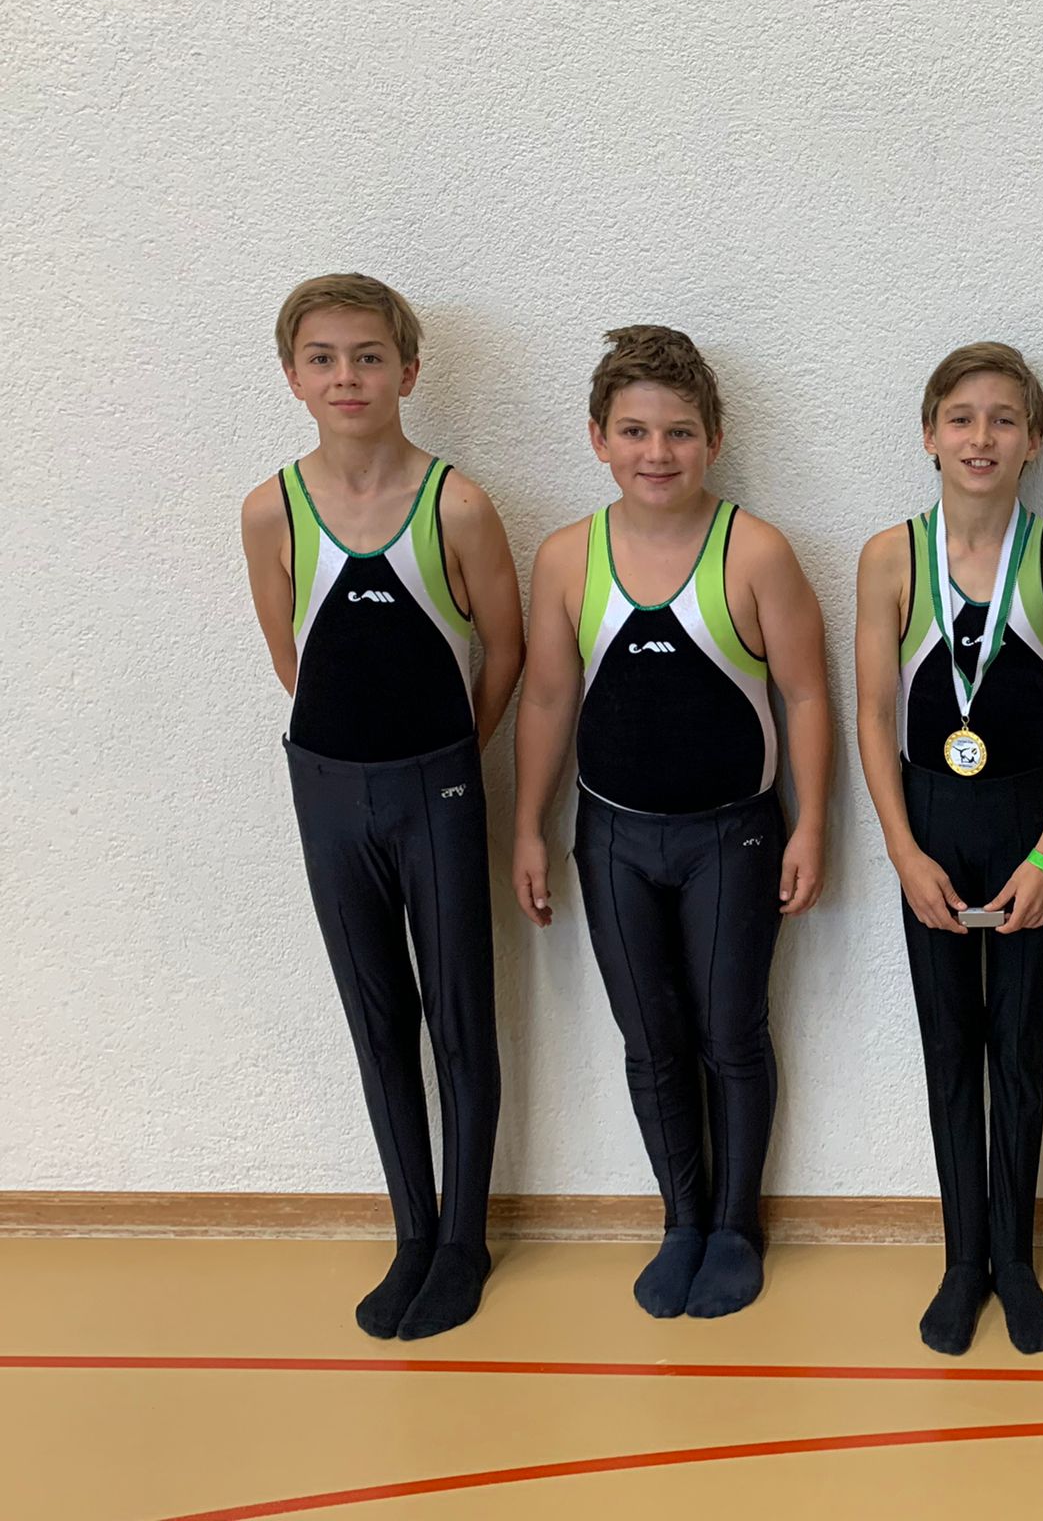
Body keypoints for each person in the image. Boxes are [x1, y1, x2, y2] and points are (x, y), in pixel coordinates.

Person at [512, 326, 830, 1319]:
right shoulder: (567, 557)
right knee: (649, 1040)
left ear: (714, 440)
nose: (658, 453)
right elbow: (547, 699)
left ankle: (735, 1225)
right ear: (598, 438)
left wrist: (812, 825)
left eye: (680, 432)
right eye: (635, 431)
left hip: (733, 836)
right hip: (612, 838)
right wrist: (526, 826)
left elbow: (806, 696)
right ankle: (682, 1219)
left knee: (731, 1032)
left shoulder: (756, 551)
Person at [239, 273, 524, 1338]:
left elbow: (505, 650)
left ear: (408, 371)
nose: (346, 376)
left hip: (435, 782)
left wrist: (452, 759)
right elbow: (294, 660)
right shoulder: (271, 510)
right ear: (292, 376)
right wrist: (355, 767)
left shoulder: (457, 504)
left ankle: (462, 1241)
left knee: (458, 1013)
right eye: (323, 358)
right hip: (326, 785)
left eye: (368, 356)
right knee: (376, 1016)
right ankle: (412, 1231)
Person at [853, 343, 1043, 1355]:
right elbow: (874, 716)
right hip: (930, 828)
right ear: (928, 435)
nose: (980, 437)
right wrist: (902, 852)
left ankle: (1016, 1259)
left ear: (1033, 441)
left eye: (1003, 419)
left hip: (1027, 826)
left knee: (1021, 1050)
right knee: (950, 1048)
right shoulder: (888, 558)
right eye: (960, 417)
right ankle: (963, 1262)